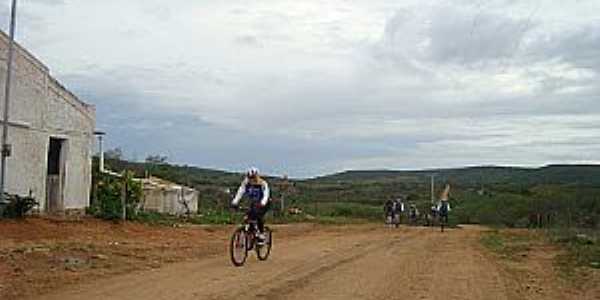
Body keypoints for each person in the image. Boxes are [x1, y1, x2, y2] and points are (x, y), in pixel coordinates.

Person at [231, 167, 271, 244]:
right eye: (250, 177)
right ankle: (252, 232)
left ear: (257, 176)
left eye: (253, 177)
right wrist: (235, 202)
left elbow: (266, 194)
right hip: (254, 203)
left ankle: (261, 234)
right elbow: (240, 191)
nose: (251, 179)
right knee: (249, 216)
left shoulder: (263, 183)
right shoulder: (246, 183)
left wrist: (262, 203)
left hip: (264, 203)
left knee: (258, 215)